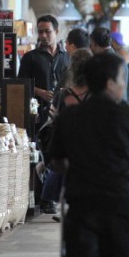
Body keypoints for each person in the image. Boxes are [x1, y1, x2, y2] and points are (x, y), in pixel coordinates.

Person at [49, 53, 129, 257]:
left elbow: (56, 161)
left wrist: (78, 166)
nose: (124, 85)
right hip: (119, 205)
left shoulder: (70, 116)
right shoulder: (127, 116)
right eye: (122, 79)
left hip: (81, 205)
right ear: (110, 83)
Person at [41, 48, 94, 221]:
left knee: (67, 177)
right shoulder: (98, 94)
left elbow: (52, 118)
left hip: (69, 144)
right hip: (92, 144)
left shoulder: (64, 94)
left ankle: (69, 210)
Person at [18, 15, 70, 140]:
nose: (43, 35)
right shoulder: (30, 57)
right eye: (40, 32)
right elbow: (20, 83)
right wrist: (40, 92)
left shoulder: (67, 57)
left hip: (63, 111)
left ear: (56, 32)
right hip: (38, 112)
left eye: (47, 31)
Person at [90, 27, 129, 96]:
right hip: (122, 104)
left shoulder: (99, 63)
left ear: (94, 43)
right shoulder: (120, 60)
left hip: (107, 105)